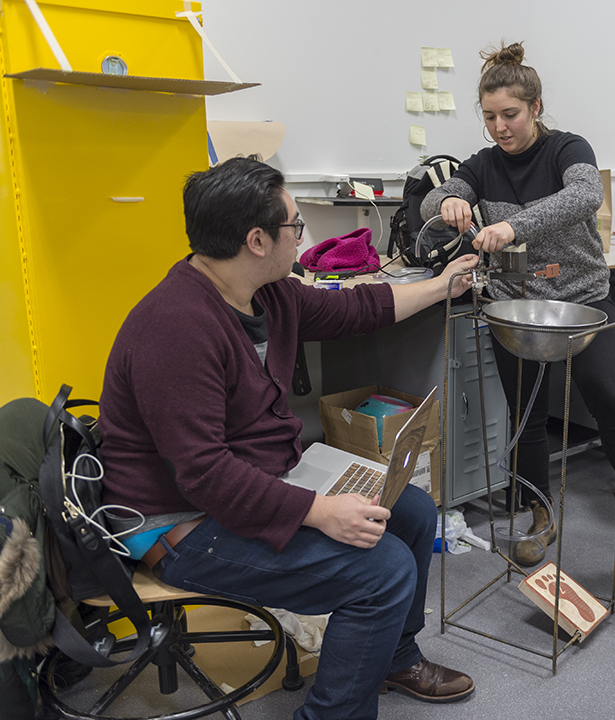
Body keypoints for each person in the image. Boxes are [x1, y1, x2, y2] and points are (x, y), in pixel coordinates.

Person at [98, 156, 479, 720]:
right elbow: (206, 476)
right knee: (383, 571)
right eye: (295, 227)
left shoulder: (267, 294)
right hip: (179, 523)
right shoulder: (175, 328)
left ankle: (394, 657)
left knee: (414, 512)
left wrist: (441, 285)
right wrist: (319, 511)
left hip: (251, 484)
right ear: (256, 239)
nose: (303, 240)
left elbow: (356, 307)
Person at [421, 41, 615, 568]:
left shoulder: (567, 149)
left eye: (509, 114)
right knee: (526, 415)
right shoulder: (482, 165)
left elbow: (584, 197)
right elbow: (429, 202)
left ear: (534, 107)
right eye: (489, 117)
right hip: (517, 306)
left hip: (581, 299)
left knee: (610, 399)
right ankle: (540, 512)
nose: (499, 126)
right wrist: (450, 200)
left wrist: (512, 224)